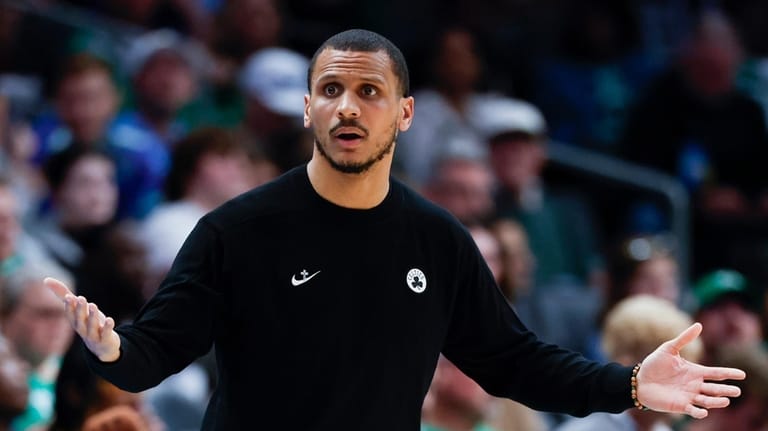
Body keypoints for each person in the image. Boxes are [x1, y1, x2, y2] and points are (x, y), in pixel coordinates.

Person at [45, 29, 744, 430]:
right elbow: (155, 352)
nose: (348, 108)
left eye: (369, 91)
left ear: (405, 113)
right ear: (310, 111)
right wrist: (112, 347)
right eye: (331, 90)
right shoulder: (239, 229)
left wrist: (627, 385)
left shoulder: (437, 240)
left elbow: (515, 361)